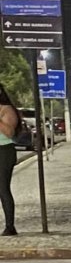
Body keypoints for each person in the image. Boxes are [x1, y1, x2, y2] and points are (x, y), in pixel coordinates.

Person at [0, 85, 18, 236]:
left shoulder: (6, 110)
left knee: (2, 188)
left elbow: (9, 132)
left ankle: (10, 226)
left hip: (4, 151)